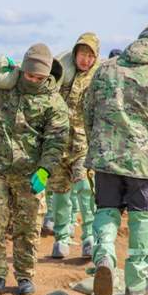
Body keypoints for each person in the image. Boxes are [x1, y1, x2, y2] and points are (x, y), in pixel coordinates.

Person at [84, 23, 148, 295]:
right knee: (142, 219)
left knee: (106, 210)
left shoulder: (105, 69)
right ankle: (135, 284)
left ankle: (104, 255)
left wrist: (98, 143)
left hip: (106, 159)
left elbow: (88, 110)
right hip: (143, 163)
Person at [0, 44, 69, 295]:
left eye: (38, 78)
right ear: (23, 70)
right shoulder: (2, 86)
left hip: (30, 172)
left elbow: (56, 141)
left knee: (28, 226)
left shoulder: (53, 102)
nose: (33, 80)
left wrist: (45, 170)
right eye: (29, 75)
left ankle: (24, 275)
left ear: (47, 75)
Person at [49, 32, 100, 259]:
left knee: (86, 191)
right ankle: (61, 239)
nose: (85, 60)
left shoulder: (97, 79)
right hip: (58, 144)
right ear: (75, 53)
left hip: (82, 146)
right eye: (82, 54)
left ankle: (89, 237)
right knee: (60, 193)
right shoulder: (62, 73)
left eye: (90, 56)